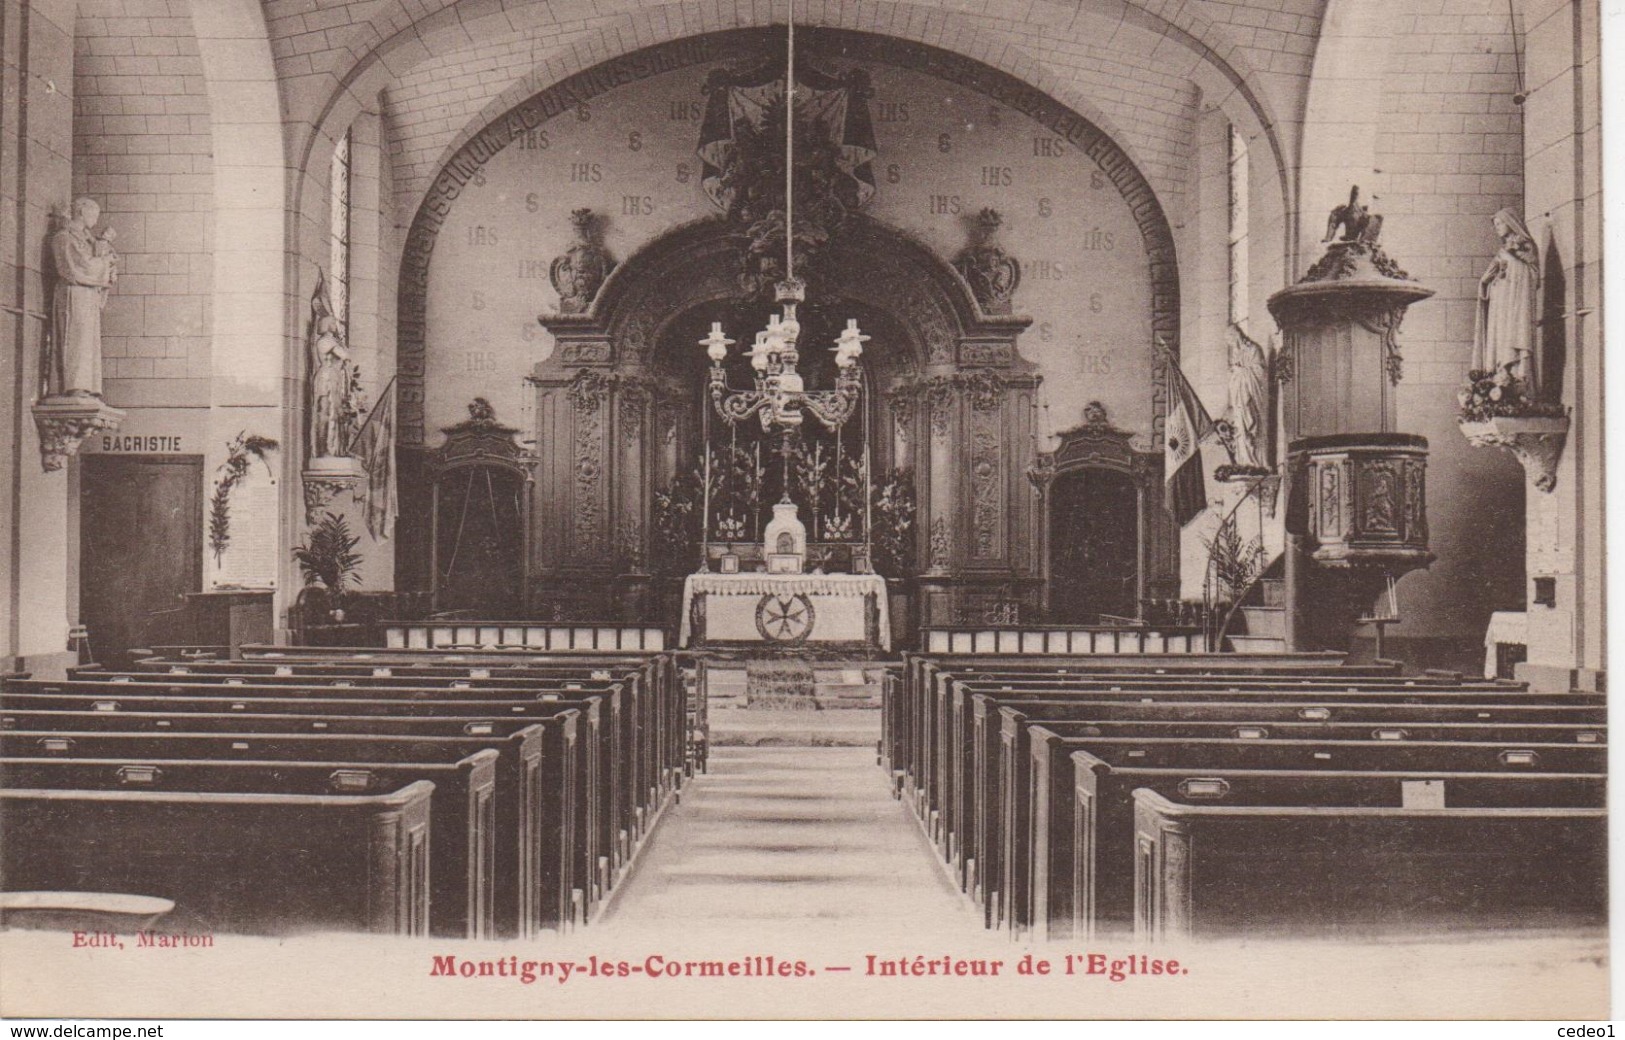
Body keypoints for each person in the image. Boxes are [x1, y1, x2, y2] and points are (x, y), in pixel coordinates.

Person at [48, 197, 118, 397]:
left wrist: (108, 260)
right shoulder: (64, 237)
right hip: (74, 293)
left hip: (88, 294)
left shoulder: (88, 241)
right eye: (93, 214)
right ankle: (74, 386)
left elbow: (97, 261)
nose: (95, 220)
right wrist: (105, 263)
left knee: (88, 341)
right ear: (81, 212)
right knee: (76, 337)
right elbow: (80, 266)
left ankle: (87, 386)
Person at [1471, 208, 1540, 391]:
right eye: (1496, 225)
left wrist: (1509, 257)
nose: (1498, 228)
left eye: (1500, 223)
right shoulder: (1503, 251)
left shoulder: (1525, 246)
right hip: (1500, 308)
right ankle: (1500, 384)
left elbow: (1529, 274)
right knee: (1499, 346)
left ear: (1511, 222)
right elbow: (1491, 277)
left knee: (1513, 346)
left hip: (1515, 308)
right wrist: (1486, 283)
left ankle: (1517, 387)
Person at [308, 314, 357, 458]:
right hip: (327, 378)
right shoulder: (325, 341)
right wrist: (341, 345)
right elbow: (345, 355)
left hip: (333, 378)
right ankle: (326, 449)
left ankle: (335, 449)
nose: (336, 327)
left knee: (335, 413)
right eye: (334, 324)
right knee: (328, 412)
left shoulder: (330, 341)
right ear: (328, 325)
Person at [1226, 324, 1270, 469]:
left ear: (1236, 336)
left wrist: (1241, 371)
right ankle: (1244, 460)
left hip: (1250, 395)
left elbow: (1260, 372)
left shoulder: (1253, 349)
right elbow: (1232, 376)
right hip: (1238, 397)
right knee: (1241, 430)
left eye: (1231, 341)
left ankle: (1256, 462)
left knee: (1252, 425)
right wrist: (1235, 373)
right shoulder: (1236, 354)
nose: (1231, 345)